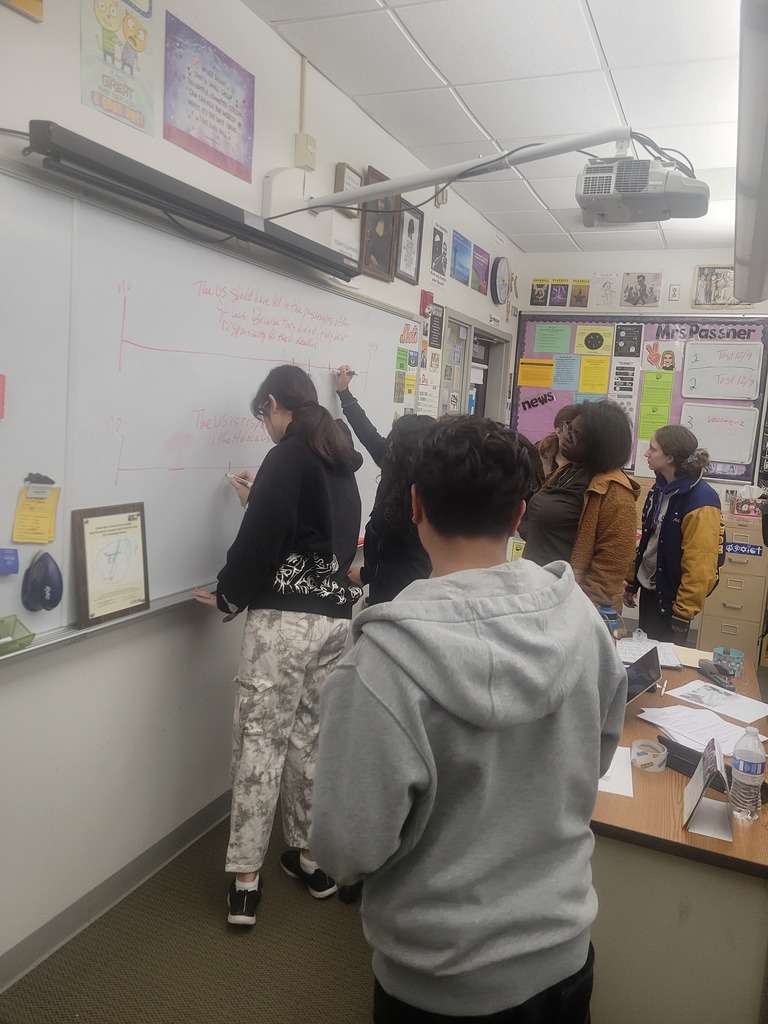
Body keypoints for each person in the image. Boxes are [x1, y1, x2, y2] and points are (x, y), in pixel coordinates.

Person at [309, 416, 627, 1023]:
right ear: (518, 516)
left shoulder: (379, 665)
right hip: (564, 953)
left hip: (440, 979)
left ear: (415, 504)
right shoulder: (582, 621)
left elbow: (345, 850)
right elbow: (597, 754)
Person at [193, 365, 363, 926]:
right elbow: (313, 538)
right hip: (334, 622)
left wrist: (229, 595)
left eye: (262, 416)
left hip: (284, 626)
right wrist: (258, 497)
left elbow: (262, 540)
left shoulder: (287, 456)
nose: (264, 427)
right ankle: (312, 859)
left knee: (259, 743)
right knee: (309, 741)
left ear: (271, 403)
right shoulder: (338, 457)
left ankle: (246, 881)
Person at [523, 400, 640, 612]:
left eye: (577, 434)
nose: (566, 436)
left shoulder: (615, 491)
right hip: (538, 590)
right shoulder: (567, 470)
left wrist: (581, 609)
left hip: (570, 603)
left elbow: (612, 563)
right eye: (568, 427)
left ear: (599, 444)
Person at [334, 364, 433, 604]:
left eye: (394, 441)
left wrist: (367, 574)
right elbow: (367, 433)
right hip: (382, 592)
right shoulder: (394, 466)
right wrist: (344, 393)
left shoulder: (423, 498)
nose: (388, 445)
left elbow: (415, 568)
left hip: (404, 601)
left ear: (406, 450)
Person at [624, 425, 724, 643]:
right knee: (645, 653)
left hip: (672, 600)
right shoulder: (659, 488)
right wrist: (632, 581)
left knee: (665, 659)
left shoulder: (702, 499)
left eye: (653, 449)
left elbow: (700, 563)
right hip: (651, 589)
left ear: (669, 458)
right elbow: (648, 541)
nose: (646, 454)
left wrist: (684, 611)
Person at [536, 403, 580, 477]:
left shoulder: (586, 459)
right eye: (571, 433)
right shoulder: (538, 454)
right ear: (558, 432)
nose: (576, 439)